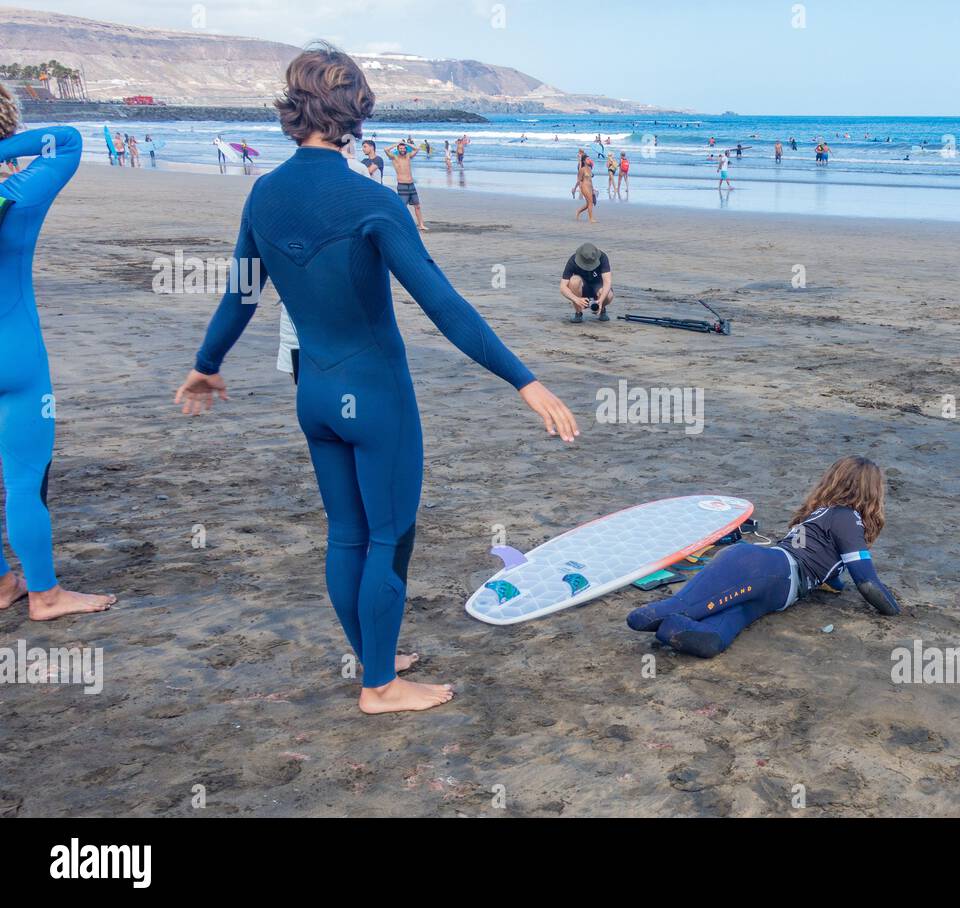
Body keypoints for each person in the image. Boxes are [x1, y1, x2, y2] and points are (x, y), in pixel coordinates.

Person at [173, 45, 577, 715]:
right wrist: (524, 382)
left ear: (292, 107)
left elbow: (240, 295)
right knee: (389, 535)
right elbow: (444, 305)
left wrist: (206, 365)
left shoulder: (264, 193)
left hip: (314, 396)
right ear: (357, 110)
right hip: (376, 396)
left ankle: (376, 658)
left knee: (345, 534)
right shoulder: (373, 201)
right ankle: (381, 687)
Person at [0, 88, 117, 619]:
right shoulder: (20, 193)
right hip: (15, 357)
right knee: (25, 479)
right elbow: (67, 140)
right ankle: (45, 594)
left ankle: (4, 584)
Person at [626, 456, 901, 657]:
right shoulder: (847, 518)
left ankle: (671, 630)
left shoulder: (822, 516)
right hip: (766, 570)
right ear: (872, 493)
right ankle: (660, 617)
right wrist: (897, 612)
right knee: (676, 608)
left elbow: (829, 570)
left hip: (776, 589)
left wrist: (835, 584)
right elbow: (867, 583)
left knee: (712, 640)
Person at [561, 242, 612, 323]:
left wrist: (601, 300)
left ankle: (601, 310)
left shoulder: (603, 257)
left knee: (609, 295)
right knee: (574, 280)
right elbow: (563, 287)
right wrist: (576, 299)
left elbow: (607, 282)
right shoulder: (573, 260)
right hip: (582, 288)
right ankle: (578, 313)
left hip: (598, 287)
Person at [385, 139, 426, 230]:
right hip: (402, 185)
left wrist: (406, 143)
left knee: (417, 206)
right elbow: (386, 149)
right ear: (398, 149)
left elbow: (417, 149)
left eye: (404, 148)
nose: (402, 150)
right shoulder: (394, 157)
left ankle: (421, 225)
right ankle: (400, 225)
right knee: (403, 207)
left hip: (411, 185)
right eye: (401, 148)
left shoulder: (408, 156)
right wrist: (397, 143)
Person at [575, 154, 597, 221]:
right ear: (584, 161)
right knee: (590, 202)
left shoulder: (590, 169)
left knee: (588, 204)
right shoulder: (582, 170)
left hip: (590, 187)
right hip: (584, 186)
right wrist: (575, 188)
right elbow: (578, 180)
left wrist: (593, 189)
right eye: (587, 159)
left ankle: (578, 211)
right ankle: (591, 218)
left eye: (589, 159)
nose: (589, 160)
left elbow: (590, 180)